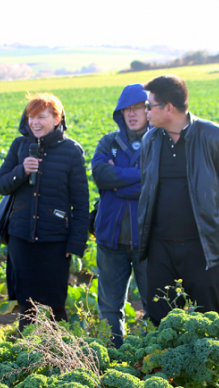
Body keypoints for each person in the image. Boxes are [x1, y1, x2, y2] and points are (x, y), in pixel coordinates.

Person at [137, 74, 219, 324]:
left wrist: (215, 212)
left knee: (207, 321)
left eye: (149, 105)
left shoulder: (215, 136)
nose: (145, 111)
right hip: (161, 248)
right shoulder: (150, 140)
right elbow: (148, 187)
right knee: (162, 322)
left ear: (168, 108)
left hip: (204, 247)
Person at [0, 93, 89, 330]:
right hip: (21, 238)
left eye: (41, 117)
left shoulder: (71, 151)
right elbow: (0, 184)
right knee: (26, 305)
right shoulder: (19, 146)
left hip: (55, 240)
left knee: (55, 305)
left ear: (57, 119)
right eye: (30, 117)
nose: (34, 122)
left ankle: (60, 354)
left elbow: (81, 201)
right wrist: (21, 171)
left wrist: (75, 244)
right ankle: (26, 354)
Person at [91, 84, 151, 348]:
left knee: (154, 305)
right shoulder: (109, 142)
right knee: (109, 307)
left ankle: (152, 358)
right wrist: (139, 175)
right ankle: (113, 356)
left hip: (148, 239)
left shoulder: (158, 141)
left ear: (149, 110)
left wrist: (118, 181)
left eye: (138, 107)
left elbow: (156, 182)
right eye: (127, 109)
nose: (132, 114)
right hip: (110, 239)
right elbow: (100, 175)